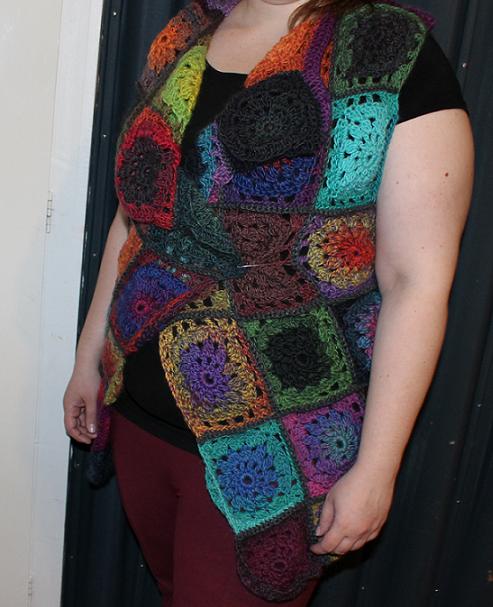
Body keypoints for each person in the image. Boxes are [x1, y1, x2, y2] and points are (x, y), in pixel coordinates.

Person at [63, 0, 474, 605]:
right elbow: (136, 220)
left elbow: (416, 281)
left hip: (281, 441)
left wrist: (377, 468)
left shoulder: (385, 49)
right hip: (139, 415)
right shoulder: (186, 34)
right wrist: (88, 357)